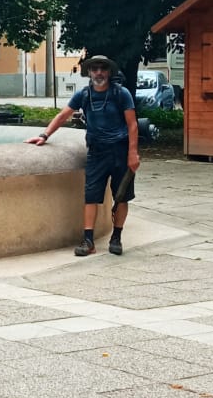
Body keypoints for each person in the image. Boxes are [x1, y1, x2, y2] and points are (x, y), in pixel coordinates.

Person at [27, 54, 139, 256]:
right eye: (94, 69)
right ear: (89, 72)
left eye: (103, 69)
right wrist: (44, 135)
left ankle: (116, 237)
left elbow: (132, 124)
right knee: (91, 196)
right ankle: (88, 241)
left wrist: (133, 154)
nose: (99, 73)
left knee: (122, 196)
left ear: (109, 72)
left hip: (120, 152)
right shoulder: (84, 95)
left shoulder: (121, 94)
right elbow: (63, 115)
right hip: (96, 152)